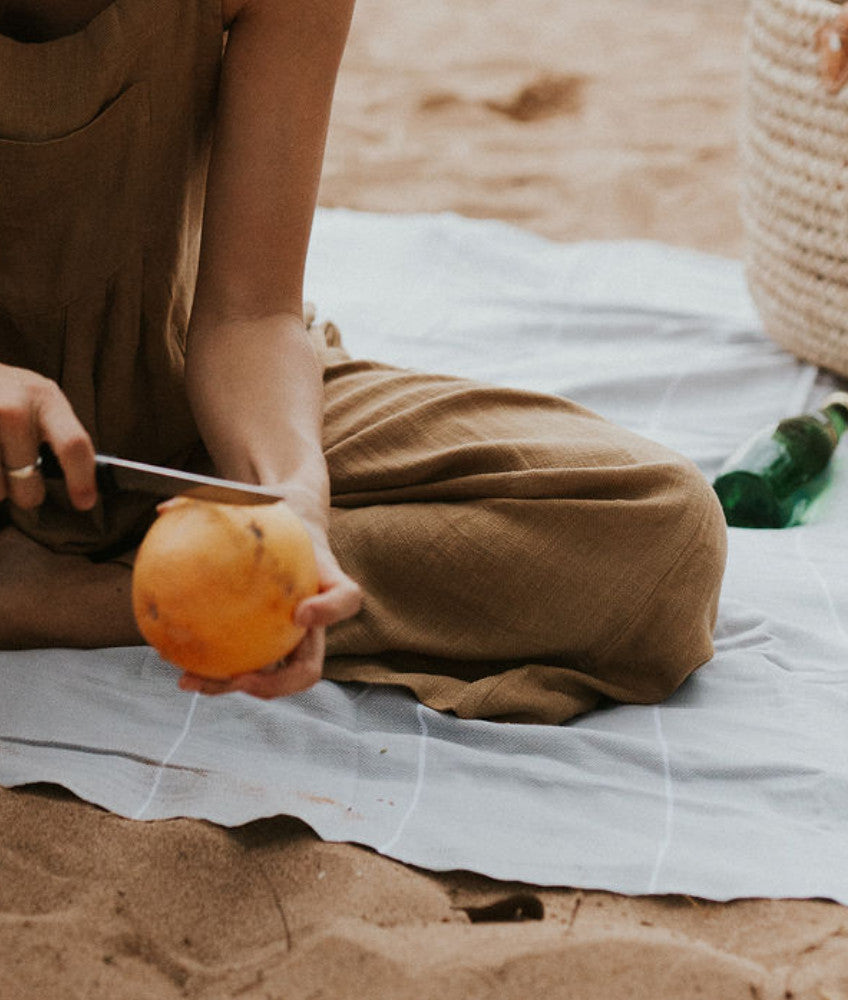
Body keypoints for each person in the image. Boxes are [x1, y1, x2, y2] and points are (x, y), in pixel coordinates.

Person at [0, 0, 727, 724]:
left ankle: (88, 602)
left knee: (661, 532)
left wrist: (294, 500)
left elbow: (251, 314)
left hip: (184, 401)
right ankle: (189, 589)